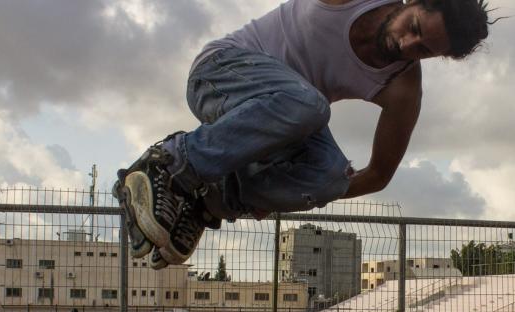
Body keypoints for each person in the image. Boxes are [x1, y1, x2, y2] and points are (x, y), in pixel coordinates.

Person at [114, 0, 493, 268]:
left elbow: (378, 175)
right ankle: (172, 163)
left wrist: (283, 196)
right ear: (412, 2)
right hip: (219, 76)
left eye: (424, 50)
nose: (407, 46)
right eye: (413, 29)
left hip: (274, 127)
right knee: (311, 106)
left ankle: (211, 199)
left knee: (333, 175)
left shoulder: (403, 86)